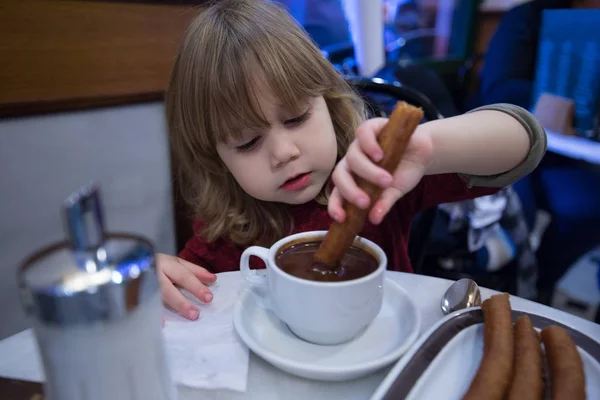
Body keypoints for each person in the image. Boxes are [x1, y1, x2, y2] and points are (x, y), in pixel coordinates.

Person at [158, 0, 546, 320]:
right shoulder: (224, 225)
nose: (284, 153)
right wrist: (155, 279)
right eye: (247, 143)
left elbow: (525, 142)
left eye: (296, 118)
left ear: (328, 103)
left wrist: (430, 146)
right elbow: (187, 298)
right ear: (217, 159)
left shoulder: (374, 177)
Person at [477, 0, 600, 303]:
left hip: (574, 150)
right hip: (511, 135)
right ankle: (506, 280)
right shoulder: (527, 18)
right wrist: (565, 98)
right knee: (518, 209)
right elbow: (497, 91)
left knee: (589, 209)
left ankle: (540, 281)